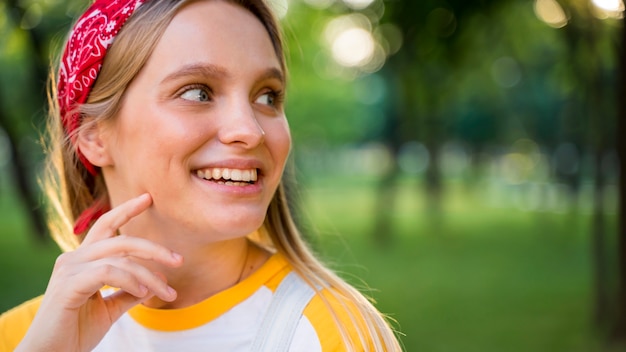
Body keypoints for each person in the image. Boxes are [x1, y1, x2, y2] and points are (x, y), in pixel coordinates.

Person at [0, 0, 402, 350]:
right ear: (93, 137)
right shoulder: (20, 337)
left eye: (267, 96)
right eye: (198, 92)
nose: (250, 130)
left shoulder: (331, 336)